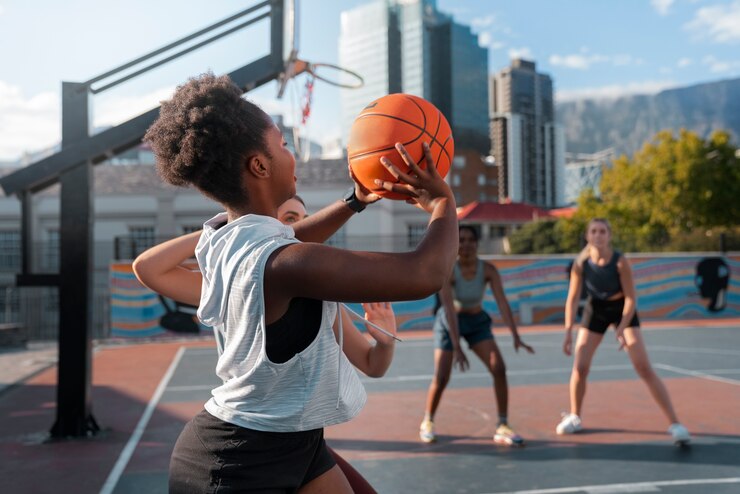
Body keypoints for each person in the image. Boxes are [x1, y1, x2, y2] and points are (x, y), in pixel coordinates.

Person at [136, 72, 459, 493]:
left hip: (290, 440)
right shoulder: (283, 263)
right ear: (259, 165)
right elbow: (425, 274)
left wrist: (354, 201)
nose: (293, 156)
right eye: (284, 145)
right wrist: (442, 203)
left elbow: (290, 239)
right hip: (237, 464)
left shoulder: (227, 243)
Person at [136, 193, 384, 494]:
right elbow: (148, 268)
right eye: (289, 220)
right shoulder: (230, 284)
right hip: (243, 444)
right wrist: (226, 227)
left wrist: (384, 341)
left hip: (301, 438)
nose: (298, 231)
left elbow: (373, 363)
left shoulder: (318, 293)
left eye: (304, 221)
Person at [557, 218, 691, 444]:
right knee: (580, 367)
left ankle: (675, 423)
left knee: (643, 367)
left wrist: (621, 327)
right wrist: (568, 331)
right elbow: (571, 299)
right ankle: (575, 416)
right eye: (594, 231)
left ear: (609, 235)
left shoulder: (620, 263)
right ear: (587, 236)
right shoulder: (580, 264)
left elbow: (631, 299)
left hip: (622, 309)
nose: (598, 235)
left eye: (602, 231)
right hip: (596, 309)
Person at [420, 225, 535, 446]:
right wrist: (457, 346)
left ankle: (503, 425)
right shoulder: (449, 271)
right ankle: (428, 420)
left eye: (470, 240)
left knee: (499, 368)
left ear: (477, 243)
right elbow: (449, 309)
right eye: (460, 240)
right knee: (442, 377)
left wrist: (516, 335)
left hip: (476, 322)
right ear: (455, 244)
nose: (465, 244)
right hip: (449, 323)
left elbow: (502, 302)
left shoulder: (489, 270)